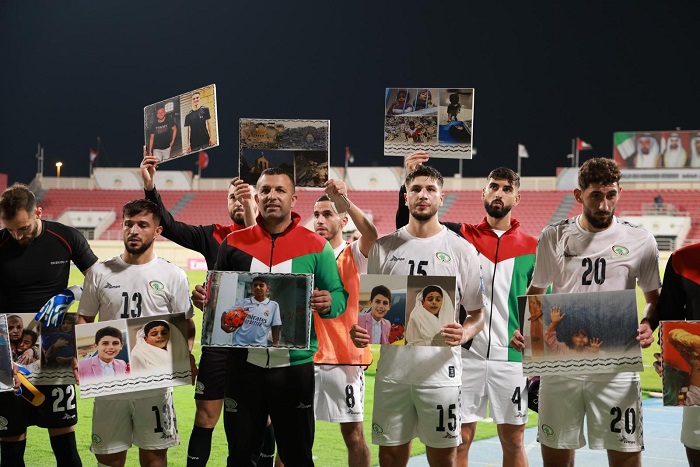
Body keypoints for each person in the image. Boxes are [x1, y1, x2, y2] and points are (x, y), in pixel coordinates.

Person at [511, 157, 661, 467]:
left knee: (626, 457)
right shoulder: (554, 236)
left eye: (611, 195)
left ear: (619, 192)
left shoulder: (641, 240)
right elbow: (537, 292)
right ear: (579, 195)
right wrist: (526, 328)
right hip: (560, 367)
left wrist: (648, 322)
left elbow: (653, 299)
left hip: (616, 367)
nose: (605, 205)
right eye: (596, 196)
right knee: (556, 457)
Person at [192, 167, 346, 466]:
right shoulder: (233, 243)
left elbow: (339, 295)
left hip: (294, 368)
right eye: (265, 190)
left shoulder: (317, 246)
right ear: (256, 198)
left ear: (293, 199)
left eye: (280, 190)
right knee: (240, 458)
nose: (272, 196)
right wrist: (204, 301)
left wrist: (329, 302)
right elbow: (218, 299)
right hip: (243, 367)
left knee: (297, 458)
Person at [397, 153, 537, 467]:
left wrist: (532, 339)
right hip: (464, 356)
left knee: (514, 441)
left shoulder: (533, 246)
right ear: (483, 192)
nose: (499, 193)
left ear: (516, 197)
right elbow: (408, 227)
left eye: (506, 189)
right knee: (459, 440)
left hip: (511, 359)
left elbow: (540, 304)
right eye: (493, 187)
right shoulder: (459, 236)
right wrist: (409, 179)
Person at [351, 164, 485, 467]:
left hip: (440, 375)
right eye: (416, 189)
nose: (423, 195)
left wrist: (465, 332)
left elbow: (477, 313)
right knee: (390, 456)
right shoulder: (383, 248)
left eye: (430, 189)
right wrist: (361, 331)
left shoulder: (462, 249)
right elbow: (371, 310)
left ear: (441, 197)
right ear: (406, 196)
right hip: (393, 375)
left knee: (443, 458)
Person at [140, 151, 259, 467]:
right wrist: (150, 188)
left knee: (261, 416)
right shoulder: (212, 235)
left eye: (245, 197)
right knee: (206, 414)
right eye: (233, 197)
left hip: (259, 341)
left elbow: (265, 266)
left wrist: (251, 212)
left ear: (258, 202)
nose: (238, 202)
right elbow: (168, 225)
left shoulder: (272, 239)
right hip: (218, 340)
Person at [77, 198, 196, 467]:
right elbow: (85, 318)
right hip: (110, 382)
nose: (133, 230)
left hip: (155, 382)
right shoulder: (99, 272)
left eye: (143, 225)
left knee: (154, 456)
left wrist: (184, 355)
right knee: (108, 457)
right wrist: (81, 358)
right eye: (128, 224)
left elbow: (185, 325)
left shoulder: (173, 274)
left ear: (158, 231)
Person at [0, 182, 97, 467]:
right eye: (10, 229)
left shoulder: (66, 237)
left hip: (55, 349)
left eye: (23, 228)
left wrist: (71, 294)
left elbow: (100, 283)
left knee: (65, 447)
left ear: (38, 213)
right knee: (11, 449)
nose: (17, 236)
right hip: (8, 354)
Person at [312, 180, 377, 467]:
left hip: (345, 358)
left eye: (327, 214)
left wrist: (343, 200)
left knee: (353, 435)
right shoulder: (307, 256)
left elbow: (371, 234)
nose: (320, 220)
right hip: (306, 355)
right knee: (293, 434)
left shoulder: (354, 254)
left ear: (343, 220)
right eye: (316, 215)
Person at [653, 241, 700, 465]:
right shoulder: (682, 259)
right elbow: (669, 316)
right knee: (696, 440)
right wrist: (669, 359)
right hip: (697, 380)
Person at [223, 277, 281, 347]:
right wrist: (223, 325)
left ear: (267, 288)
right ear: (252, 288)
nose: (258, 287)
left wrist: (275, 343)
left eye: (261, 285)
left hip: (260, 346)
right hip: (239, 343)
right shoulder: (244, 302)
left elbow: (275, 326)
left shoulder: (273, 305)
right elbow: (225, 312)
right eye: (255, 285)